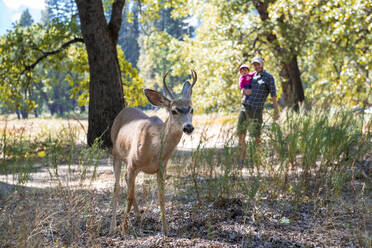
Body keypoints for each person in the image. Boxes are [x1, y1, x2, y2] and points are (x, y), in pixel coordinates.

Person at [237, 57, 279, 164]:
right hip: (245, 107)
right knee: (241, 134)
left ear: (262, 64)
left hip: (257, 109)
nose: (256, 66)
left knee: (256, 136)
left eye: (258, 64)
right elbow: (242, 84)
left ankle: (258, 161)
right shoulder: (252, 76)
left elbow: (273, 94)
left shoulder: (268, 77)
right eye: (254, 65)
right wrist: (243, 91)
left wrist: (276, 110)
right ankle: (241, 160)